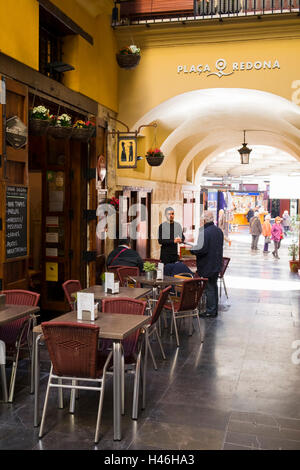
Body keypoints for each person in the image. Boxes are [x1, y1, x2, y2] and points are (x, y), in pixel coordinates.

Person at [190, 210, 224, 318]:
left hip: (207, 264)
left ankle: (210, 310)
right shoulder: (219, 231)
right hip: (216, 263)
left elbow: (202, 249)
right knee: (213, 286)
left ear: (204, 220)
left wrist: (192, 250)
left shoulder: (204, 232)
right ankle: (213, 309)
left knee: (209, 287)